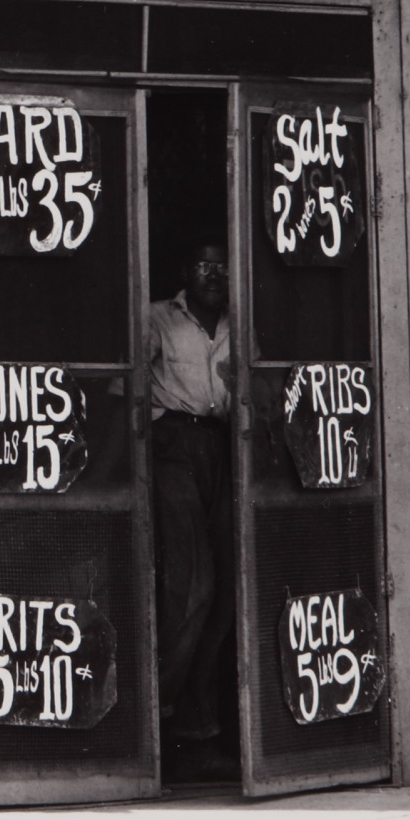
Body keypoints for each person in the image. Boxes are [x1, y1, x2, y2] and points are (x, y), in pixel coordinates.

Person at [147, 242, 234, 750]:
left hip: (224, 447)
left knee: (227, 589)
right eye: (203, 264)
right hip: (172, 444)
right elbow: (128, 390)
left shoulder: (238, 322)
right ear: (186, 271)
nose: (213, 274)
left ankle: (193, 707)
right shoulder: (158, 317)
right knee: (192, 585)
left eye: (222, 265)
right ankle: (161, 706)